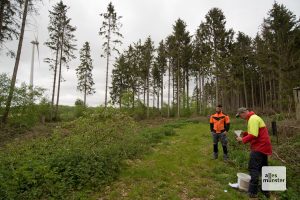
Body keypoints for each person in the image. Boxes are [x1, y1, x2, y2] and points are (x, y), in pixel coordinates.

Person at [235, 107, 272, 198]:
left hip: (259, 147)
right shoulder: (255, 117)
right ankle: (266, 191)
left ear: (244, 112)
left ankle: (252, 192)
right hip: (264, 147)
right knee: (264, 169)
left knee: (253, 168)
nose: (241, 117)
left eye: (240, 116)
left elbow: (254, 135)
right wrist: (245, 133)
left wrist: (242, 139)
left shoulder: (252, 119)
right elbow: (255, 132)